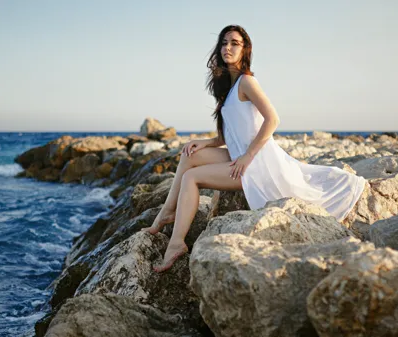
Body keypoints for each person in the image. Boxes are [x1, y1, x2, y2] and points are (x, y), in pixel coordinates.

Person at [144, 25, 366, 272]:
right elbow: (234, 132)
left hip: (257, 164)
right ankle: (166, 213)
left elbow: (273, 120)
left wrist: (248, 156)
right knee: (190, 155)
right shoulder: (229, 87)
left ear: (245, 49)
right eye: (224, 42)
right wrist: (206, 143)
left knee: (191, 178)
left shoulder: (247, 81)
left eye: (235, 43)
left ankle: (176, 243)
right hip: (240, 154)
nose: (228, 47)